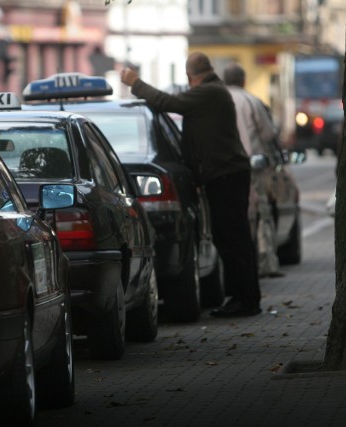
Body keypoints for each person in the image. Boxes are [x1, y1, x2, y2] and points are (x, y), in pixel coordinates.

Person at [120, 52, 261, 317]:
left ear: (190, 78)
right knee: (232, 237)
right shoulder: (214, 92)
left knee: (233, 238)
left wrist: (136, 83)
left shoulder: (208, 93)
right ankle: (243, 297)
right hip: (226, 175)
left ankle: (245, 300)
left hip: (226, 176)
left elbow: (167, 102)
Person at [223, 62, 283, 278]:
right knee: (261, 212)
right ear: (243, 80)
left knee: (237, 214)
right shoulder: (251, 101)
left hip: (226, 167)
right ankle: (266, 263)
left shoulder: (219, 100)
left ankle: (241, 266)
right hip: (253, 166)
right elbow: (268, 134)